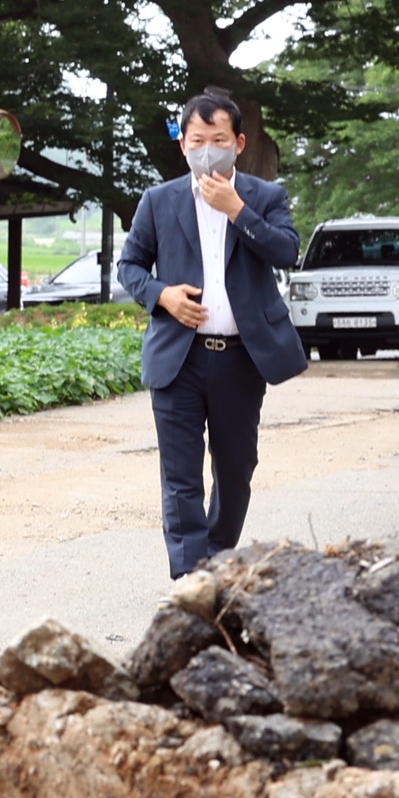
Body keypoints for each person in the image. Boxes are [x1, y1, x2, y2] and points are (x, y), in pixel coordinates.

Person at [116, 93, 306, 573]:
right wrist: (163, 296)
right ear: (183, 145)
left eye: (218, 140)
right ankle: (189, 575)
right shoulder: (159, 201)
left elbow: (287, 252)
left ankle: (217, 563)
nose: (207, 150)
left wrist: (237, 209)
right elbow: (130, 265)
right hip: (178, 358)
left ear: (238, 143)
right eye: (196, 141)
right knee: (180, 476)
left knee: (236, 471)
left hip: (241, 360)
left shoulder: (266, 197)